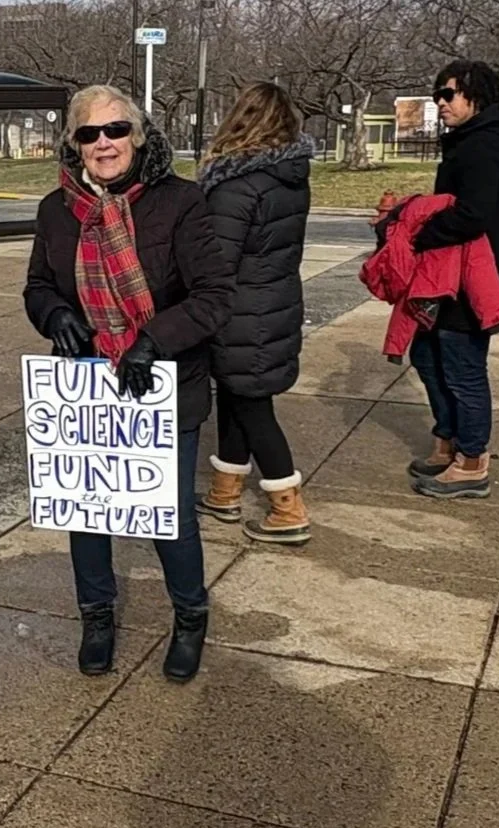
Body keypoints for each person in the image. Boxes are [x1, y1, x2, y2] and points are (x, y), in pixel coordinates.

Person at [24, 84, 233, 682]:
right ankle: (97, 615)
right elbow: (38, 286)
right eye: (89, 134)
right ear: (74, 144)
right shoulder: (54, 209)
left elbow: (214, 297)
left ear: (138, 137)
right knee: (86, 509)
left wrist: (153, 340)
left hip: (163, 380)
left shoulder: (181, 201)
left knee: (168, 511)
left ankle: (190, 615)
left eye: (116, 130)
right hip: (87, 385)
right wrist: (56, 315)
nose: (104, 143)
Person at [405, 59, 499, 499]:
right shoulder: (470, 141)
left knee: (463, 368)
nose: (440, 103)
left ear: (476, 96)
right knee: (426, 354)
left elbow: (472, 214)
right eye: (437, 94)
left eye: (449, 94)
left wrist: (417, 232)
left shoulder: (485, 146)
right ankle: (450, 440)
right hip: (449, 273)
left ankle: (472, 461)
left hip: (473, 276)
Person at [195, 82, 313, 544]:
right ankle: (226, 490)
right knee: (238, 394)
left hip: (240, 310)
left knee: (252, 405)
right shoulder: (290, 178)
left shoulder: (236, 187)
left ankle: (288, 507)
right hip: (274, 304)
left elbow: (217, 260)